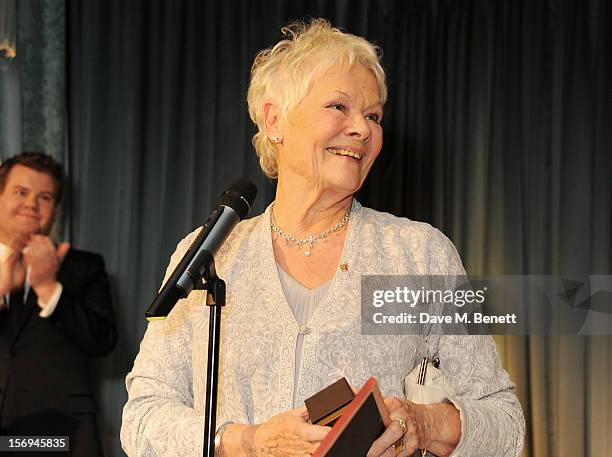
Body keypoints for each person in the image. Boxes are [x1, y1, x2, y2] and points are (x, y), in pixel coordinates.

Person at [121, 19, 524, 457]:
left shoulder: (418, 253)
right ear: (275, 119)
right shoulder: (210, 255)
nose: (363, 129)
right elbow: (143, 418)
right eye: (339, 106)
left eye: (373, 116)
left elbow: (504, 422)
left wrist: (424, 424)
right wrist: (250, 441)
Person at [0, 152, 118, 456]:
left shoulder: (84, 266)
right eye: (21, 192)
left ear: (55, 211)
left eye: (45, 197)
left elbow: (101, 341)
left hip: (59, 436)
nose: (31, 204)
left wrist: (48, 287)